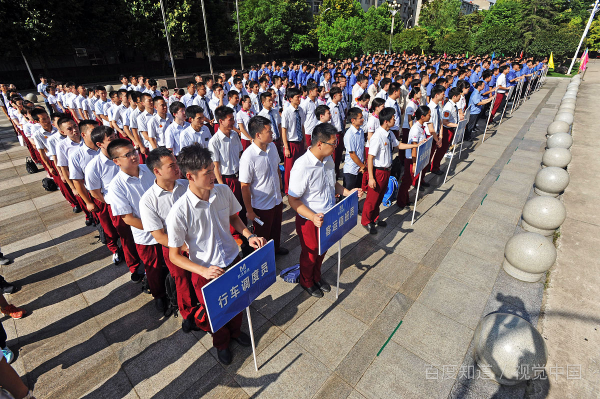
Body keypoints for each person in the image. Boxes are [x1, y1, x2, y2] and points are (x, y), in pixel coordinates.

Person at [166, 144, 265, 365]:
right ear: (189, 176)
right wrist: (203, 270)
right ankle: (221, 343)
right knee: (216, 312)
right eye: (207, 172)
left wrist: (249, 236)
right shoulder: (179, 211)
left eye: (212, 169)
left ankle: (236, 332)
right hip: (207, 271)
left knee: (239, 301)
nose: (213, 175)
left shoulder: (223, 191)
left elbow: (234, 219)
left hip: (232, 258)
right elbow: (174, 256)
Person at [288, 123, 361, 298]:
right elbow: (292, 199)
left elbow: (332, 184)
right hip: (310, 219)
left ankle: (316, 277)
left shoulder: (328, 160)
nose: (336, 147)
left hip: (328, 215)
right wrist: (312, 216)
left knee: (323, 250)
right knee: (311, 254)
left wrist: (347, 192)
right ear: (319, 144)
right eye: (333, 143)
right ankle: (306, 281)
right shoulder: (302, 166)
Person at [139, 148, 198, 332]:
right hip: (174, 248)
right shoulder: (148, 200)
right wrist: (184, 247)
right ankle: (188, 314)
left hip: (197, 241)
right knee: (182, 281)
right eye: (171, 165)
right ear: (157, 171)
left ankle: (205, 308)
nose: (177, 168)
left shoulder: (186, 185)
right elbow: (158, 235)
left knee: (200, 277)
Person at [107, 139, 167, 310]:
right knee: (153, 268)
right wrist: (156, 229)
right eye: (128, 155)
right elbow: (128, 218)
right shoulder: (116, 187)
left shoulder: (149, 169)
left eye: (134, 152)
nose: (134, 156)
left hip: (166, 227)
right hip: (146, 235)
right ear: (116, 161)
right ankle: (159, 295)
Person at [86, 129, 141, 279]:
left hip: (137, 199)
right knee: (126, 237)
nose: (116, 140)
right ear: (99, 144)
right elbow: (95, 192)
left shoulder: (128, 155)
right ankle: (135, 267)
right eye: (111, 139)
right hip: (117, 207)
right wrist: (114, 202)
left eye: (116, 136)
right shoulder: (94, 166)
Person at [361, 108, 420, 234]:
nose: (395, 119)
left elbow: (398, 146)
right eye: (393, 117)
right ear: (386, 121)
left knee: (380, 196)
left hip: (387, 170)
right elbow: (370, 158)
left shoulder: (389, 133)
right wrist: (371, 177)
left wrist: (415, 145)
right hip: (378, 172)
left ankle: (375, 218)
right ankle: (366, 221)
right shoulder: (378, 136)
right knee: (372, 198)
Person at [239, 116, 288, 256]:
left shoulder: (272, 147)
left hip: (276, 198)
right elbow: (245, 186)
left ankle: (276, 250)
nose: (272, 133)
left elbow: (277, 168)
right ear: (258, 135)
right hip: (261, 205)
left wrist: (280, 188)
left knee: (276, 228)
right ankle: (265, 258)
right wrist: (249, 211)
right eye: (269, 131)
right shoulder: (248, 157)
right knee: (263, 235)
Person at [397, 106, 430, 209]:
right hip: (411, 159)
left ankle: (405, 199)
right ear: (423, 117)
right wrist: (414, 164)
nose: (430, 116)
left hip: (415, 158)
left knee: (408, 181)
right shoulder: (415, 129)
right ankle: (401, 202)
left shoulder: (421, 126)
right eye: (429, 114)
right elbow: (414, 148)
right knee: (407, 181)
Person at [280, 87, 306, 194]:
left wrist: (304, 141)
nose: (299, 99)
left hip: (300, 142)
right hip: (291, 143)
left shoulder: (301, 110)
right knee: (289, 168)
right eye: (297, 97)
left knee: (300, 166)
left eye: (300, 97)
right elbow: (284, 130)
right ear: (290, 99)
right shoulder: (287, 112)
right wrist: (286, 147)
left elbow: (302, 126)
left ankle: (298, 186)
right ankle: (288, 189)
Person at [431, 87, 461, 174]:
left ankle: (434, 165)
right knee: (441, 150)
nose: (460, 98)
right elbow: (445, 122)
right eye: (459, 96)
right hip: (446, 131)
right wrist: (457, 125)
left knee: (443, 150)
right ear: (454, 96)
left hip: (449, 130)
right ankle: (435, 167)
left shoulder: (452, 105)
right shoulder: (448, 107)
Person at [343, 107, 366, 190]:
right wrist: (362, 166)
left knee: (357, 192)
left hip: (360, 168)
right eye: (360, 118)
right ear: (353, 120)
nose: (363, 120)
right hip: (351, 170)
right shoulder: (349, 134)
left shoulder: (361, 131)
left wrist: (363, 163)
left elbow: (362, 147)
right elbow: (352, 154)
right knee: (348, 195)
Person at [327, 86, 345, 176]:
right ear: (334, 96)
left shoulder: (339, 105)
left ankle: (337, 172)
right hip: (334, 134)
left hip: (340, 133)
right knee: (333, 156)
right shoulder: (330, 107)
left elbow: (342, 118)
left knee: (339, 155)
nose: (341, 96)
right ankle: (332, 174)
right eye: (339, 95)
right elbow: (329, 123)